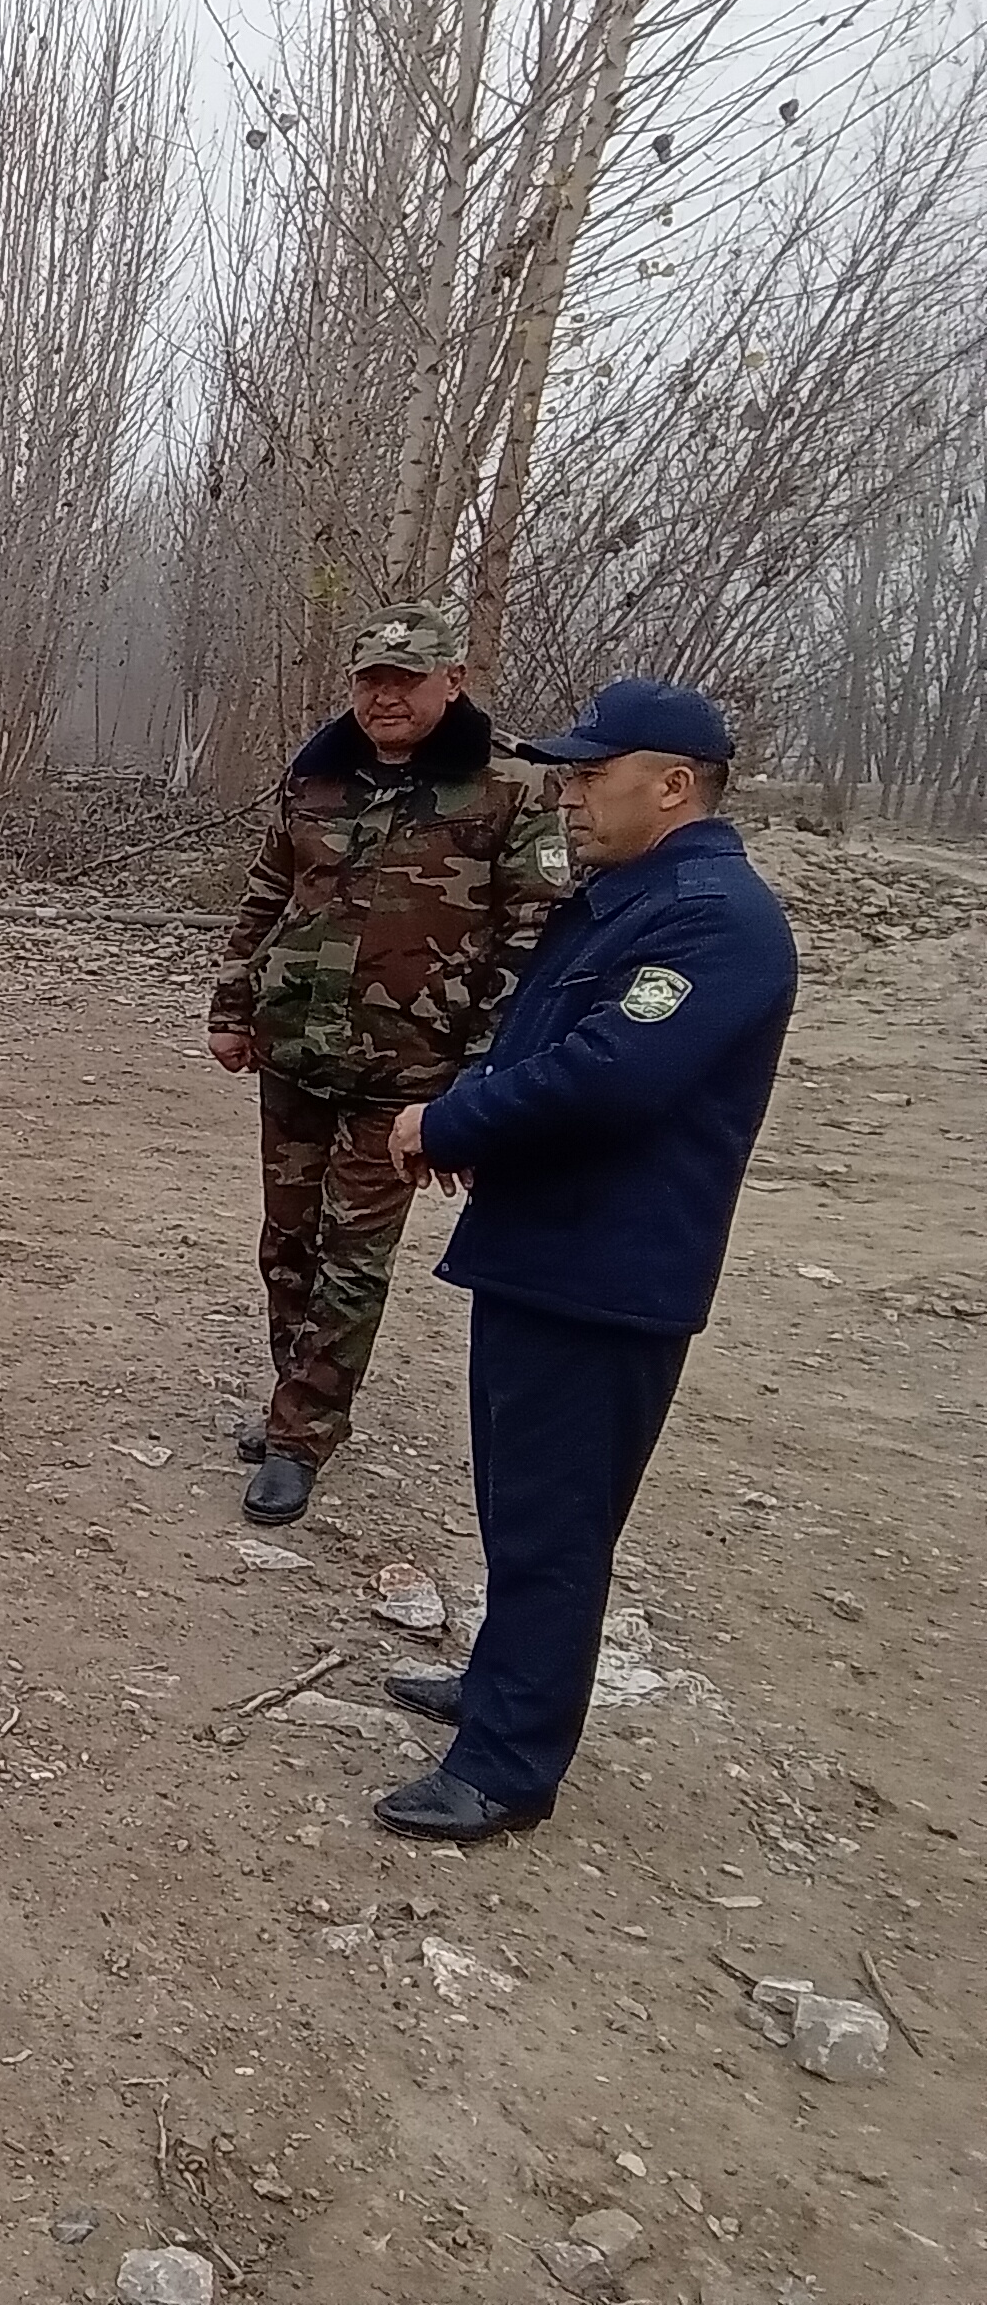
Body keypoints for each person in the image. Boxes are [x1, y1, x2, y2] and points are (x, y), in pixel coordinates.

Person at [369, 678, 796, 1841]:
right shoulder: (629, 897)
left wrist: (450, 1120)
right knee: (522, 1505)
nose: (569, 795)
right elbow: (544, 1041)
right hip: (548, 1245)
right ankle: (503, 1686)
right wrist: (479, 1120)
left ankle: (507, 1766)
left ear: (674, 785)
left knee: (557, 1521)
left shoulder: (714, 917)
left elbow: (613, 1074)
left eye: (592, 776)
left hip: (607, 1270)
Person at [206, 599, 565, 1527]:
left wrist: (482, 1074)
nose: (386, 698)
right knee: (287, 1245)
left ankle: (302, 1437)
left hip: (410, 1075)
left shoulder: (510, 787)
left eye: (407, 680)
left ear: (453, 681)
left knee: (353, 1257)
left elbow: (532, 938)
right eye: (372, 681)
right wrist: (232, 1006)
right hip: (296, 1054)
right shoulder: (319, 773)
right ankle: (293, 1399)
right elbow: (268, 894)